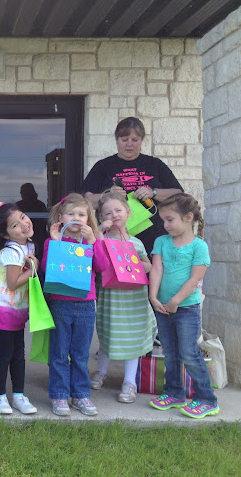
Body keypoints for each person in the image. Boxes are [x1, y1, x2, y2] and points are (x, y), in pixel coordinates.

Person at [148, 193, 219, 419]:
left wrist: (176, 301)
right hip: (162, 307)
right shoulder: (161, 242)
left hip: (186, 308)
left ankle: (206, 399)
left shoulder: (199, 247)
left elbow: (195, 279)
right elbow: (156, 269)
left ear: (188, 217)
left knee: (189, 353)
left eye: (170, 219)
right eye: (163, 220)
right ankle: (174, 393)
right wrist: (153, 297)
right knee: (170, 353)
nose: (165, 225)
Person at [41, 193, 109, 417]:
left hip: (86, 304)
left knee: (80, 354)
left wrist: (93, 241)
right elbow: (46, 268)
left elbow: (102, 266)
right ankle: (59, 395)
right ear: (61, 217)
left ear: (88, 219)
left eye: (81, 214)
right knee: (59, 353)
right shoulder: (53, 241)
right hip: (60, 303)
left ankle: (80, 395)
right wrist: (56, 242)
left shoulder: (91, 242)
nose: (76, 218)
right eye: (71, 214)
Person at [81, 117, 183, 254]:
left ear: (141, 140)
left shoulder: (155, 164)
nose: (129, 144)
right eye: (124, 140)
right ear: (117, 140)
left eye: (135, 140)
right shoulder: (103, 166)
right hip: (113, 237)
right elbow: (85, 200)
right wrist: (107, 195)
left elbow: (178, 194)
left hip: (154, 236)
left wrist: (153, 192)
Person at [91, 191, 156, 404]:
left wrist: (136, 264)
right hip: (111, 298)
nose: (114, 215)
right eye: (107, 213)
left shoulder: (136, 243)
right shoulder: (102, 240)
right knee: (108, 334)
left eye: (118, 210)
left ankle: (129, 382)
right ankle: (101, 371)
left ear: (128, 212)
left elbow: (148, 266)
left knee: (132, 338)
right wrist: (100, 229)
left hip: (134, 299)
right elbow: (95, 249)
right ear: (101, 217)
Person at [0, 203, 39, 415]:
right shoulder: (11, 251)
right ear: (6, 235)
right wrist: (34, 268)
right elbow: (13, 283)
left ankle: (18, 395)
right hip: (1, 306)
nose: (24, 224)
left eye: (23, 217)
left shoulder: (28, 246)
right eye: (15, 225)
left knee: (18, 353)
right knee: (5, 352)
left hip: (15, 307)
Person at [16, 183, 48, 260]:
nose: (22, 194)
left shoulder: (39, 205)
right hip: (27, 235)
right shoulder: (40, 204)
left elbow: (44, 222)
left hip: (38, 235)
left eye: (24, 192)